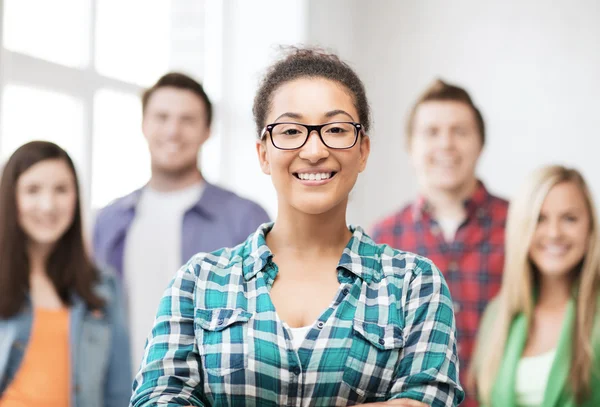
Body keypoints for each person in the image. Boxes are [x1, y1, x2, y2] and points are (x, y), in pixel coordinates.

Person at [130, 48, 463, 407]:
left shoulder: (414, 283)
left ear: (363, 150)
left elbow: (429, 399)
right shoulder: (197, 283)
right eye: (290, 131)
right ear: (263, 154)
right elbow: (159, 398)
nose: (315, 149)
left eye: (335, 129)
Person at [93, 72, 271, 369]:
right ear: (144, 125)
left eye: (187, 120)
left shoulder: (246, 218)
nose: (173, 131)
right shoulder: (109, 220)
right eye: (161, 117)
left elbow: (268, 322)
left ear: (207, 130)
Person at [371, 79, 508, 406]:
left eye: (460, 131)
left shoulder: (521, 226)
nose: (446, 143)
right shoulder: (384, 238)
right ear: (410, 147)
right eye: (431, 132)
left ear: (480, 144)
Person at [0, 141, 131, 407]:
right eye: (32, 190)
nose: (48, 206)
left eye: (61, 190)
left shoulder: (104, 288)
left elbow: (118, 393)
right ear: (11, 196)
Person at [469, 165, 600, 407]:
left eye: (569, 218)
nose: (554, 233)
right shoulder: (498, 315)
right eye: (540, 219)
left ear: (590, 227)